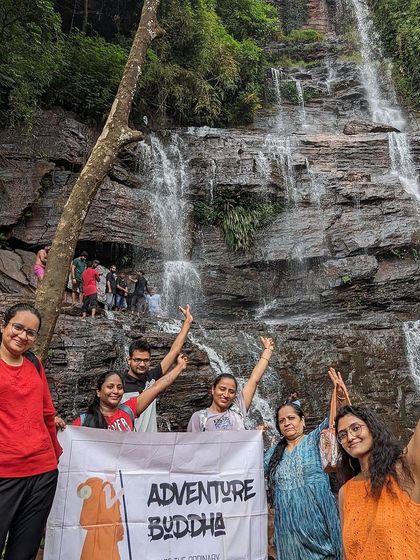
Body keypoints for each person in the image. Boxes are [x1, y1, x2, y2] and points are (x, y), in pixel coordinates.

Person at [264, 368, 348, 560]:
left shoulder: (314, 440)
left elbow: (335, 421)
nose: (286, 423)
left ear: (302, 421)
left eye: (291, 418)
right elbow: (248, 466)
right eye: (282, 421)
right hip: (288, 533)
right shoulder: (273, 454)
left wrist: (340, 397)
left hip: (318, 523)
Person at [0, 303, 61, 559]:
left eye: (31, 333)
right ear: (3, 325)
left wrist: (55, 453)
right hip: (5, 471)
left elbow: (47, 411)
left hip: (42, 472)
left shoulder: (33, 363)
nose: (23, 336)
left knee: (24, 553)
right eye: (17, 327)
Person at [336, 405, 419, 560]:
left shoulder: (404, 471)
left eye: (355, 428)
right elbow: (346, 554)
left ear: (372, 428)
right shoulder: (345, 492)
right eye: (342, 435)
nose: (350, 437)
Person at [122, 305, 193, 432]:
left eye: (146, 360)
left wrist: (187, 322)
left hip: (150, 446)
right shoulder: (118, 383)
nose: (142, 364)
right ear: (129, 360)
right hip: (125, 444)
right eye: (137, 360)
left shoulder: (152, 378)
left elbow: (174, 351)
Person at [73, 354, 188, 431]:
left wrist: (180, 367)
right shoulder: (83, 421)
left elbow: (157, 387)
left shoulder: (129, 410)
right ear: (98, 392)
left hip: (128, 467)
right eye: (110, 387)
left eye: (119, 387)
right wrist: (55, 423)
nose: (116, 391)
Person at [187, 336, 274, 431]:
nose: (226, 395)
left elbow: (254, 380)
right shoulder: (199, 418)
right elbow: (192, 445)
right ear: (213, 389)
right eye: (222, 389)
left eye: (231, 391)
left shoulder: (238, 409)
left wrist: (267, 350)